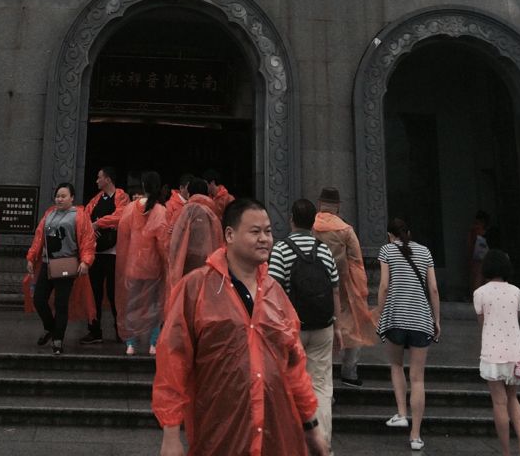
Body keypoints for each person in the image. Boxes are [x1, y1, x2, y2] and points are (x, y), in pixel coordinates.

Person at [153, 197, 329, 456]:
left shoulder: (274, 293)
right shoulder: (197, 288)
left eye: (268, 231)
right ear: (230, 235)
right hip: (220, 433)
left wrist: (312, 426)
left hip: (277, 434)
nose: (265, 239)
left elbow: (294, 366)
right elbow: (173, 359)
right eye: (255, 232)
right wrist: (170, 433)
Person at [268, 198, 341, 451]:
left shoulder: (281, 250)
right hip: (323, 326)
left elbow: (272, 291)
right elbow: (335, 290)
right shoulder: (323, 250)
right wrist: (338, 326)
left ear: (291, 219)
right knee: (321, 386)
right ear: (313, 222)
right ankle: (322, 443)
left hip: (292, 329)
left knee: (290, 384)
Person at [376, 217, 442, 452]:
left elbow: (384, 286)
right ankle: (415, 436)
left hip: (395, 317)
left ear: (389, 235)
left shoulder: (386, 250)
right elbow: (433, 288)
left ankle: (402, 413)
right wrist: (436, 319)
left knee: (395, 365)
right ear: (409, 233)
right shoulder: (425, 252)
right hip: (421, 319)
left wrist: (378, 313)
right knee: (418, 378)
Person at [313, 186, 376, 388]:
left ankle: (324, 380)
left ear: (319, 204)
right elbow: (356, 261)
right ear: (338, 206)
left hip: (314, 285)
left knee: (321, 331)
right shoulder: (346, 230)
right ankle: (349, 372)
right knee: (353, 328)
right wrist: (360, 289)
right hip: (343, 287)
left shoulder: (311, 226)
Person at [474, 248, 520, 456]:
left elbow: (482, 322)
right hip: (515, 350)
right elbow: (514, 317)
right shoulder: (515, 291)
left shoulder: (479, 293)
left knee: (499, 402)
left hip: (492, 352)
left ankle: (506, 452)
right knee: (514, 399)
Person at [27, 182, 95, 355]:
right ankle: (50, 327)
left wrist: (86, 261)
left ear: (72, 198)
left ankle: (58, 339)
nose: (59, 199)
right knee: (39, 299)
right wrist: (31, 256)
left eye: (63, 196)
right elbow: (39, 237)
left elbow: (88, 240)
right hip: (47, 263)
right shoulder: (49, 214)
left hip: (67, 264)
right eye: (58, 196)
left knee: (61, 303)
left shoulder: (79, 215)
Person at [116, 170, 169, 355]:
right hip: (153, 267)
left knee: (132, 305)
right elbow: (163, 242)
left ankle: (131, 343)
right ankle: (153, 343)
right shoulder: (161, 211)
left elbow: (123, 236)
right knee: (155, 306)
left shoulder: (131, 208)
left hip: (133, 265)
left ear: (143, 186)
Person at [81, 166, 130, 345]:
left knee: (114, 293)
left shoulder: (121, 196)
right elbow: (84, 217)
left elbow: (121, 215)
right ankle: (94, 330)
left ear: (108, 179)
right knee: (94, 293)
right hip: (95, 252)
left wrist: (98, 224)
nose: (97, 181)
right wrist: (91, 228)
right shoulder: (95, 199)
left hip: (114, 253)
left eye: (99, 177)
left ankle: (120, 330)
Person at [165, 176, 221, 294]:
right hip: (209, 267)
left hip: (186, 265)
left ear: (189, 193)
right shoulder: (214, 214)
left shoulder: (184, 211)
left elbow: (173, 242)